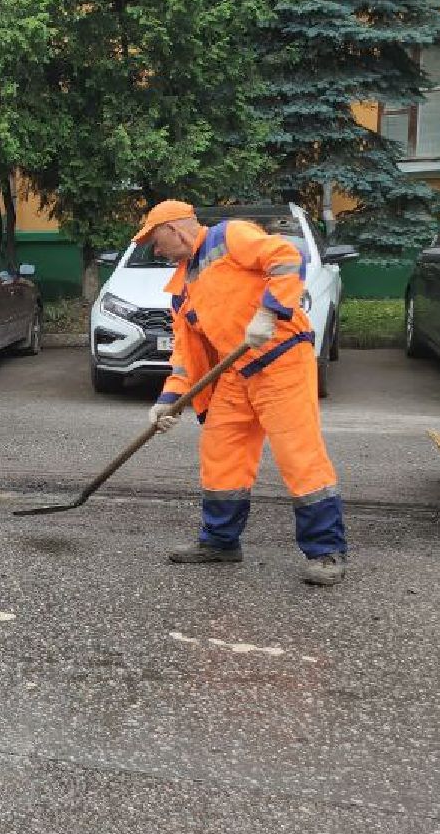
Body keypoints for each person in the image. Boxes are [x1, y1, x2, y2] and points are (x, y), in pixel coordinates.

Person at [134, 199, 350, 586]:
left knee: (298, 455)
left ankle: (326, 550)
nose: (157, 249)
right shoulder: (182, 291)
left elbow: (287, 257)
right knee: (221, 453)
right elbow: (185, 357)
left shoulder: (231, 236)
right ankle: (219, 541)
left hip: (281, 360)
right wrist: (168, 401)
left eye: (156, 240)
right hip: (236, 374)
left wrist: (269, 312)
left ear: (175, 230)